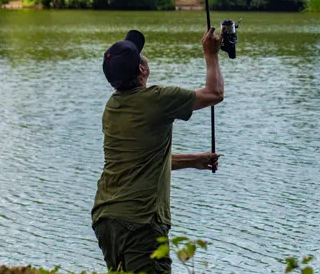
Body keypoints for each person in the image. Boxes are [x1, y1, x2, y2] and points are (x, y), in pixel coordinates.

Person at [92, 27, 224, 274]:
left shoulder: (112, 108)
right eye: (140, 55)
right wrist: (211, 53)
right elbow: (214, 93)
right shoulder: (157, 99)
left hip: (106, 219)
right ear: (142, 70)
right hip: (139, 221)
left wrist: (194, 160)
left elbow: (142, 161)